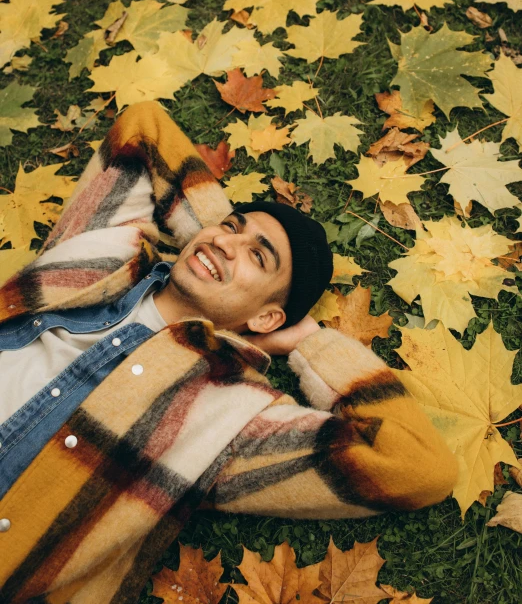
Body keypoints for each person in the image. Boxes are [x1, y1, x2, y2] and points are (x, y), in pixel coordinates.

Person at [0, 102, 458, 604]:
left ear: (266, 319)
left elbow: (415, 468)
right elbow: (144, 127)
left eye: (259, 258)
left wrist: (311, 343)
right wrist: (216, 237)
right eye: (234, 226)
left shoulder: (229, 417)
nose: (229, 243)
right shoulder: (106, 249)